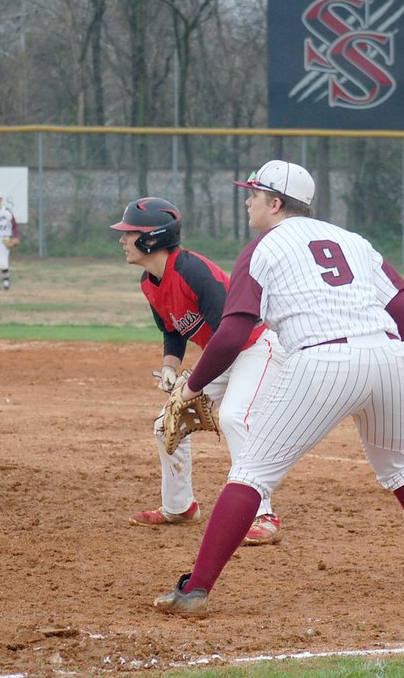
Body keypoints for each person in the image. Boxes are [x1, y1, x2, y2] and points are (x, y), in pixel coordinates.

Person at [153, 160, 404, 615]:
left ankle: (193, 590)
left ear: (276, 203)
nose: (248, 200)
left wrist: (193, 387)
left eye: (254, 193)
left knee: (251, 474)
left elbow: (233, 332)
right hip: (389, 356)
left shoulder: (260, 249)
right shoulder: (351, 240)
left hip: (324, 360)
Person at [110, 197, 285, 546]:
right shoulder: (149, 281)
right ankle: (179, 507)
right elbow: (172, 331)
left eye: (129, 233)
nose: (122, 240)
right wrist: (170, 369)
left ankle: (263, 514)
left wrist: (194, 383)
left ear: (152, 239)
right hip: (223, 353)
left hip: (256, 347)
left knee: (236, 417)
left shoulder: (193, 271)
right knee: (167, 423)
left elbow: (231, 333)